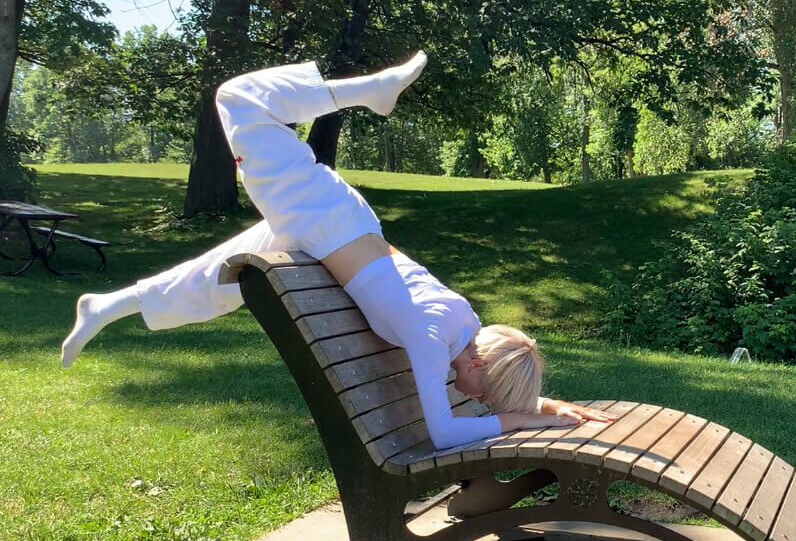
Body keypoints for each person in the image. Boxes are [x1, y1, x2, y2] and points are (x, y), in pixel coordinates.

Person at [60, 53, 616, 448]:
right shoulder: (430, 337)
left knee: (215, 279)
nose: (480, 402)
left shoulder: (464, 321)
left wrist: (535, 408)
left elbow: (473, 384)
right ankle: (370, 93)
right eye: (486, 395)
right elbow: (444, 433)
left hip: (338, 229)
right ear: (474, 363)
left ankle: (107, 306)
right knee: (239, 97)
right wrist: (517, 423)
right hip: (326, 224)